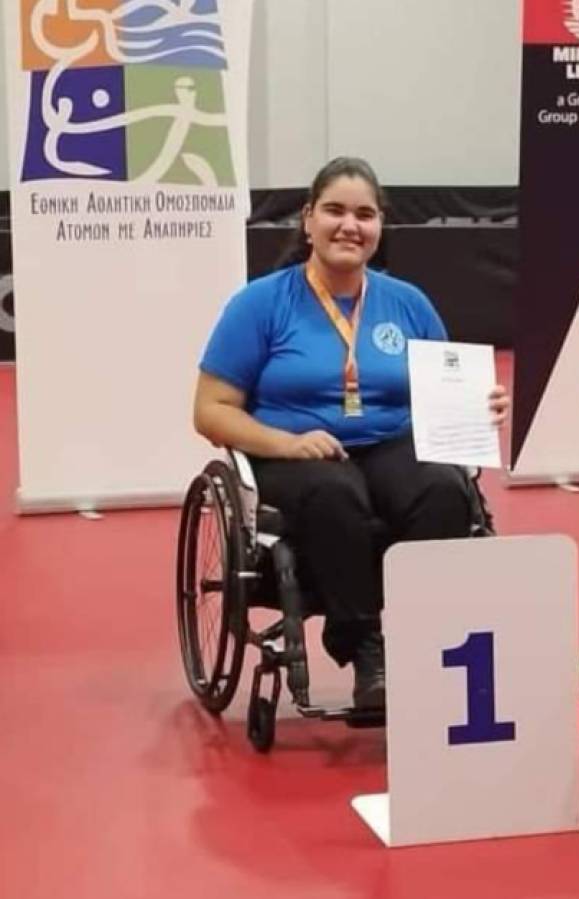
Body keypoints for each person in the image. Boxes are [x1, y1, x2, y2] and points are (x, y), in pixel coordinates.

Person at [193, 157, 510, 710]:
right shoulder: (260, 304)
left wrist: (478, 405)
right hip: (292, 454)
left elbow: (442, 391)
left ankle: (427, 639)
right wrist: (288, 443)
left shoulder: (407, 303)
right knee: (336, 493)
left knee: (442, 488)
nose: (350, 225)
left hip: (388, 443)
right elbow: (210, 410)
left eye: (364, 214)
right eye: (335, 210)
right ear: (307, 219)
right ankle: (364, 647)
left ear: (379, 225)